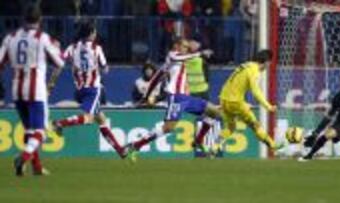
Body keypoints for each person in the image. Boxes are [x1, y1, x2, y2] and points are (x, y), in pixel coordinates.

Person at [122, 39, 221, 161]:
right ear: (177, 46)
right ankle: (135, 145)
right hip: (176, 97)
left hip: (187, 98)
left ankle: (198, 140)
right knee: (168, 128)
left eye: (187, 47)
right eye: (185, 46)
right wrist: (200, 53)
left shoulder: (175, 62)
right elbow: (159, 76)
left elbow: (156, 78)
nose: (187, 49)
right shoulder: (172, 55)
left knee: (214, 112)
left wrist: (146, 95)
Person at [0, 4, 65, 176]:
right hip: (36, 91)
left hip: (17, 90)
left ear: (23, 19)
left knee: (29, 130)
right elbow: (60, 62)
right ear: (40, 19)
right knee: (41, 132)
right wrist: (57, 48)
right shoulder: (42, 38)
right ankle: (23, 157)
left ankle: (36, 168)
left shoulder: (10, 38)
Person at [52, 20, 125, 158]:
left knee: (101, 119)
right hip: (93, 89)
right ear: (91, 34)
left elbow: (59, 65)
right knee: (89, 118)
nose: (96, 34)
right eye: (95, 31)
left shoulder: (71, 48)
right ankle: (60, 123)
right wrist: (100, 68)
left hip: (79, 91)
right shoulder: (97, 48)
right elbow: (106, 69)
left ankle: (120, 150)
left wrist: (51, 84)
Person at [217, 50, 282, 151]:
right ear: (266, 62)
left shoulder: (245, 65)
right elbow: (256, 91)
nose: (268, 66)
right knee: (256, 125)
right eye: (269, 63)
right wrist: (268, 106)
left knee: (230, 127)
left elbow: (232, 82)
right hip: (236, 102)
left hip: (223, 99)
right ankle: (273, 145)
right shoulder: (254, 70)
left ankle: (215, 145)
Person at [300, 72, 340, 161]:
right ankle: (309, 156)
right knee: (327, 135)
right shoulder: (338, 98)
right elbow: (329, 117)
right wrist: (316, 133)